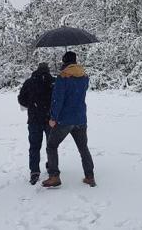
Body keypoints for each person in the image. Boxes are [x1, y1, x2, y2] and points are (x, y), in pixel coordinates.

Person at [42, 51, 96, 188]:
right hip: (80, 118)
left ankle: (54, 176)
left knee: (51, 146)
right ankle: (90, 176)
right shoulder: (84, 77)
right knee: (83, 148)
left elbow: (57, 100)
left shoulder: (63, 77)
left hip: (64, 120)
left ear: (64, 62)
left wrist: (53, 117)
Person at [17, 62, 55, 185]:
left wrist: (32, 106)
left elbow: (21, 98)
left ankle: (34, 172)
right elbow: (58, 99)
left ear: (37, 70)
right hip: (50, 120)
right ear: (48, 70)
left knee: (34, 146)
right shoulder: (53, 82)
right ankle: (51, 167)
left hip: (34, 119)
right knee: (51, 146)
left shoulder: (29, 82)